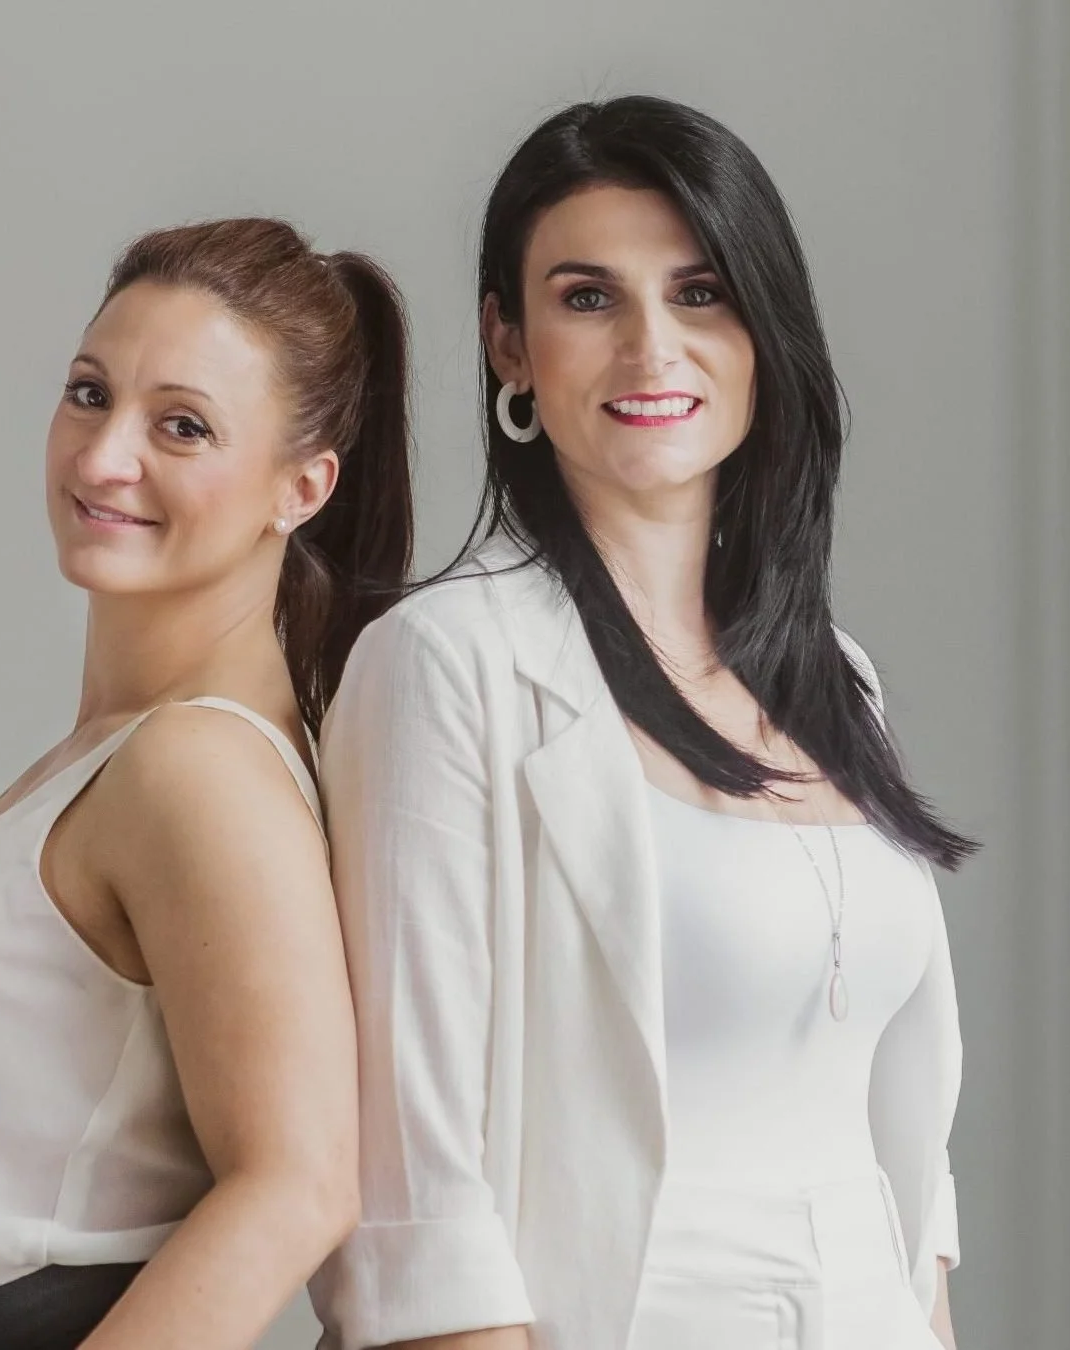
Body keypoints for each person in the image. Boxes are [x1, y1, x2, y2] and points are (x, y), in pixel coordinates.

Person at [312, 97, 970, 1350]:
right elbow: (415, 1202)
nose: (649, 347)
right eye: (586, 297)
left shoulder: (838, 678)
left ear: (761, 326)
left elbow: (899, 1160)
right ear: (508, 342)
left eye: (699, 292)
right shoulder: (445, 667)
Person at [0, 217, 413, 1350]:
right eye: (89, 393)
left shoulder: (198, 768)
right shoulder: (123, 752)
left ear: (301, 486)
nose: (102, 457)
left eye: (181, 426)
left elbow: (296, 1183)